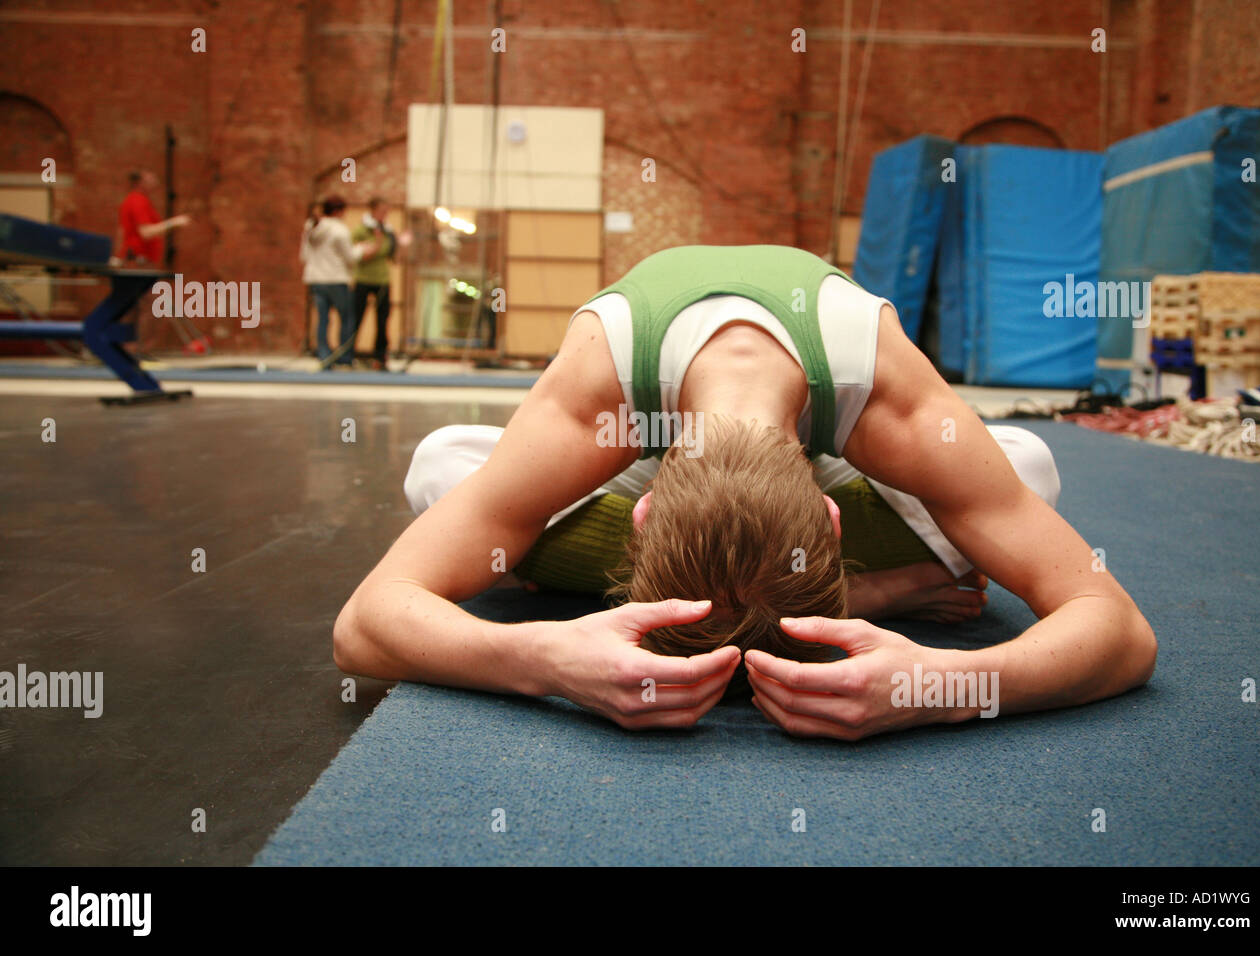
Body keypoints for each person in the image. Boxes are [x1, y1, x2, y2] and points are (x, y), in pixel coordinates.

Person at [333, 244, 1157, 740]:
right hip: (644, 437)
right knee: (440, 462)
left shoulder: (889, 398)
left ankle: (566, 578)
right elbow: (362, 626)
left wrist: (936, 689)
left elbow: (1123, 632)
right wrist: (542, 657)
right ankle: (871, 592)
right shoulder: (599, 396)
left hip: (818, 434)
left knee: (1028, 464)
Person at [300, 196, 375, 369]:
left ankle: (324, 356)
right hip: (336, 279)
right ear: (338, 211)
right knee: (347, 317)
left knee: (323, 318)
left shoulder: (311, 228)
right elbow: (350, 257)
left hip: (316, 279)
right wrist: (362, 249)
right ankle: (344, 357)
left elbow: (304, 255)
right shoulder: (339, 230)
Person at [351, 198, 397, 371]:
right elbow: (361, 255)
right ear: (373, 210)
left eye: (387, 212)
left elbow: (391, 256)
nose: (385, 215)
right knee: (357, 317)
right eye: (382, 211)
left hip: (382, 281)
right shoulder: (361, 231)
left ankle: (380, 357)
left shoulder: (387, 231)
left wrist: (400, 244)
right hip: (363, 279)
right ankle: (349, 355)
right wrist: (377, 243)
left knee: (383, 320)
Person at [111, 170, 190, 267]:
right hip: (137, 262)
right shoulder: (137, 201)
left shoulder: (137, 200)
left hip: (138, 261)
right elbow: (146, 232)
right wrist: (175, 222)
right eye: (150, 176)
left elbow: (121, 232)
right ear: (140, 181)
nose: (154, 179)